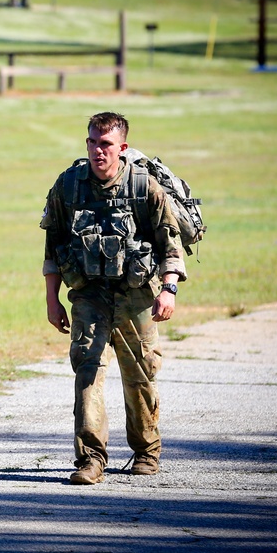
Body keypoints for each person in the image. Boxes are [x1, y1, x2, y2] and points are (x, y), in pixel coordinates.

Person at [40, 111, 187, 484]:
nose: (96, 151)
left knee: (140, 374)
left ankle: (146, 452)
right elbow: (53, 246)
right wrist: (52, 300)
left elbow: (170, 244)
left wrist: (168, 289)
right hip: (89, 294)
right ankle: (90, 459)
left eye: (105, 144)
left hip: (137, 296)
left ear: (121, 147)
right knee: (88, 370)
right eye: (91, 142)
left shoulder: (143, 186)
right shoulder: (69, 185)